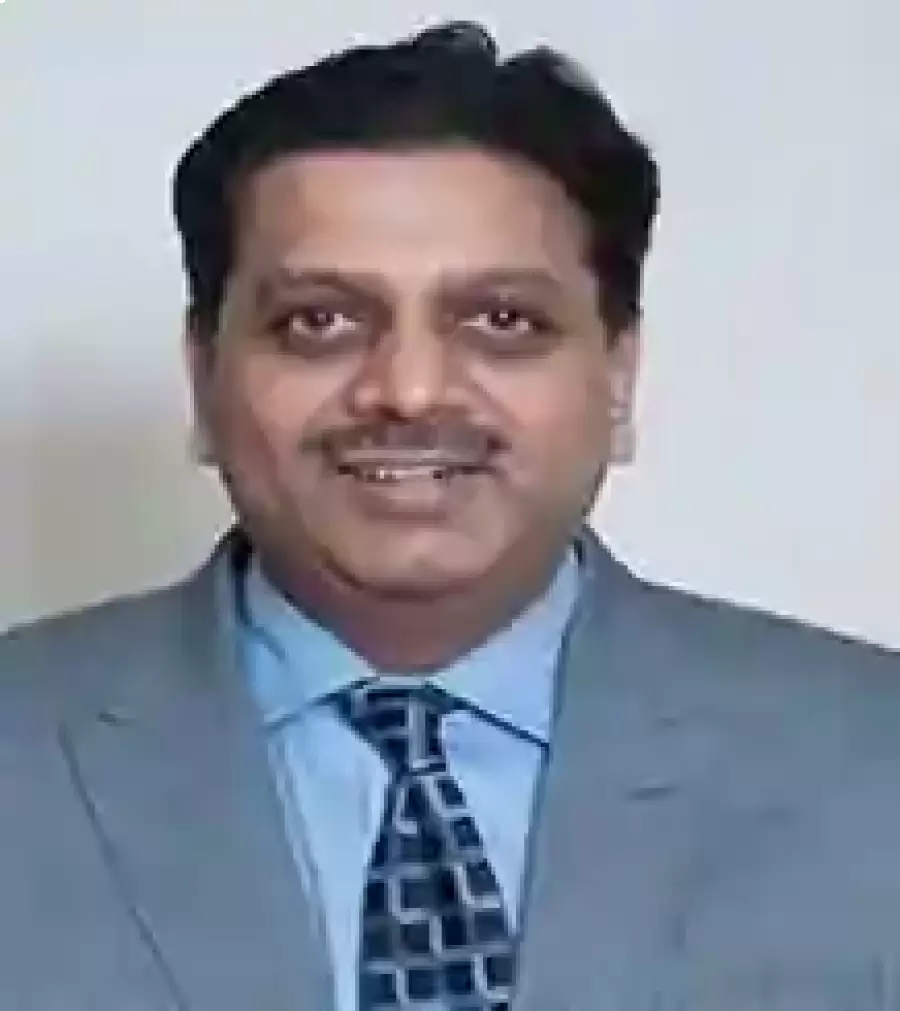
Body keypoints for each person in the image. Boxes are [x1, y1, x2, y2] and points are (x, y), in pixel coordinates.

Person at [2, 20, 898, 1011]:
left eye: (503, 321)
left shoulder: (873, 758)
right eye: (319, 321)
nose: (411, 391)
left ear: (617, 375)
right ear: (205, 376)